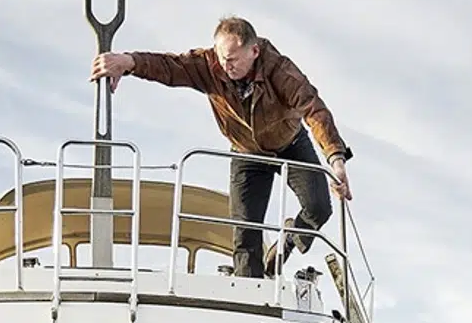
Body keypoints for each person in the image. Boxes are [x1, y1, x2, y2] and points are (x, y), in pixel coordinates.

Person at [90, 15, 353, 278]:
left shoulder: (279, 70)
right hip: (246, 152)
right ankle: (249, 288)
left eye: (232, 59)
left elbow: (313, 108)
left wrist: (336, 158)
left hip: (289, 143)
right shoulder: (210, 64)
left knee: (319, 207)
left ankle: (286, 243)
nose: (226, 66)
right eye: (221, 57)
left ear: (254, 51)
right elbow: (169, 67)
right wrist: (128, 62)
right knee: (246, 234)